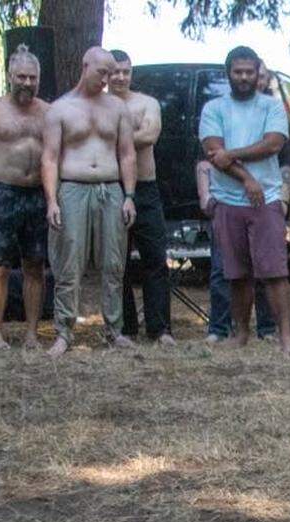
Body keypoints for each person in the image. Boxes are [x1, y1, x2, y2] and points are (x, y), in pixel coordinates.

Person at [199, 45, 290, 355]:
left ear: (258, 74)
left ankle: (285, 337)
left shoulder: (272, 107)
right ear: (229, 74)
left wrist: (234, 154)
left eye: (249, 72)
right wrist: (247, 178)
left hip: (265, 199)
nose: (243, 77)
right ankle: (241, 334)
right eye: (237, 72)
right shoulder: (214, 108)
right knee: (237, 273)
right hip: (228, 200)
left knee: (274, 271)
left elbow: (273, 144)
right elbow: (214, 152)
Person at [42, 46, 138, 356]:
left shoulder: (117, 108)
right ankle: (64, 332)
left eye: (111, 73)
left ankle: (115, 330)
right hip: (72, 188)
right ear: (85, 66)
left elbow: (126, 153)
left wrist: (129, 196)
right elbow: (50, 158)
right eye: (102, 72)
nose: (108, 79)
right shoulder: (60, 109)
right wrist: (52, 201)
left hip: (110, 189)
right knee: (68, 263)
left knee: (114, 263)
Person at [108, 50, 173, 346]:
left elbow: (150, 135)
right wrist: (128, 133)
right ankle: (124, 328)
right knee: (116, 261)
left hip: (146, 189)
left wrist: (110, 137)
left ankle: (160, 330)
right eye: (115, 72)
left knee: (156, 259)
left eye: (126, 71)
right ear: (105, 74)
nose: (121, 77)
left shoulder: (147, 103)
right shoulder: (99, 106)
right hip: (111, 187)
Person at [0, 44, 49, 350]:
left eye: (32, 77)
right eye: (21, 77)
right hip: (2, 191)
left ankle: (31, 334)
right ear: (9, 75)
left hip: (37, 194)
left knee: (35, 265)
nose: (27, 83)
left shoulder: (49, 112)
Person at [195, 159, 276, 342]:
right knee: (221, 269)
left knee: (262, 269)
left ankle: (267, 329)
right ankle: (218, 330)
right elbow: (205, 166)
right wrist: (207, 198)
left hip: (259, 206)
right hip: (225, 208)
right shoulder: (215, 150)